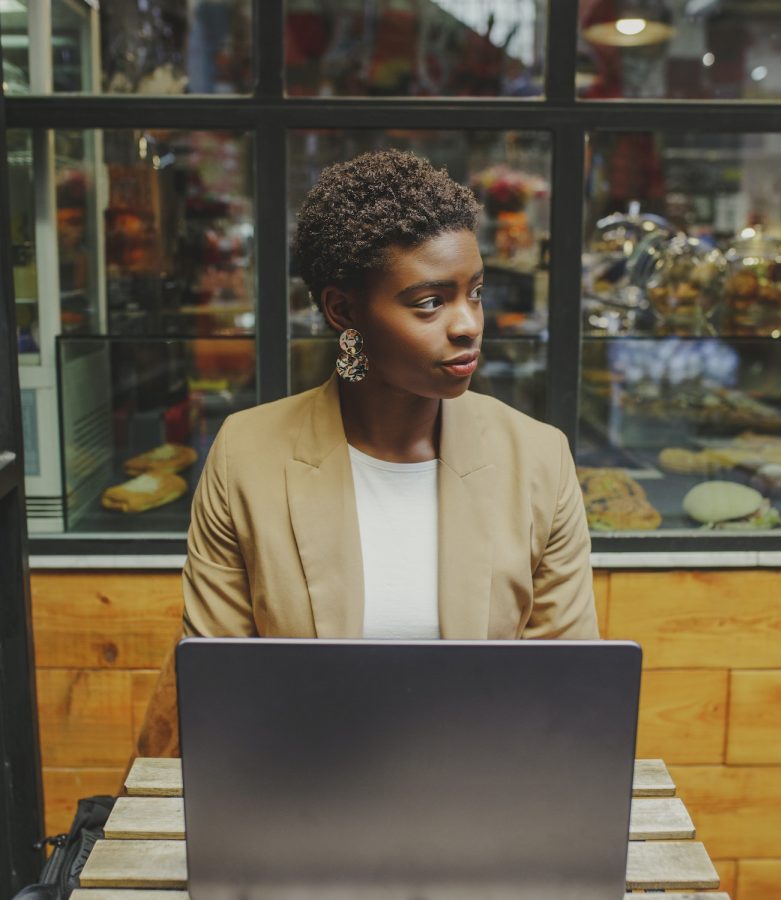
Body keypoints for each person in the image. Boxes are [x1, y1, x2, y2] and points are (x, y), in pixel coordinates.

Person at [137, 149, 597, 756]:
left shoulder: (537, 459)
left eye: (476, 292)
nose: (467, 324)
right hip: (297, 788)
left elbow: (568, 693)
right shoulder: (247, 457)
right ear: (343, 310)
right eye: (430, 301)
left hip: (484, 792)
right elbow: (219, 691)